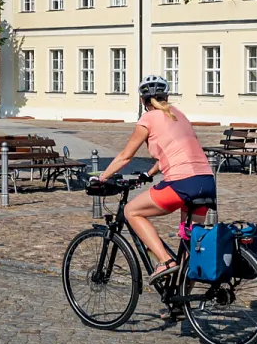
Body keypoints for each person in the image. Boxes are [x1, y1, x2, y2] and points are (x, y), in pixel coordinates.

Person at [91, 74, 215, 285]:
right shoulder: (178, 115)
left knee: (131, 211)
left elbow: (125, 156)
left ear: (142, 100)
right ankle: (179, 303)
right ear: (166, 96)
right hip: (206, 182)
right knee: (190, 244)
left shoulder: (148, 118)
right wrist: (148, 175)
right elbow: (173, 152)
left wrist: (102, 178)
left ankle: (165, 260)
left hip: (181, 183)